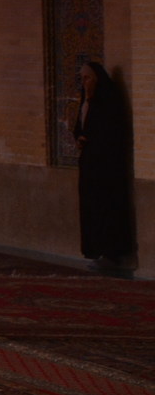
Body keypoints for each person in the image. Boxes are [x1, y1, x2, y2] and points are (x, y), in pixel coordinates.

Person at [75, 58, 138, 274]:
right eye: (82, 79)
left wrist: (90, 140)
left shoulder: (108, 102)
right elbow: (80, 128)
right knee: (92, 209)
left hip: (106, 168)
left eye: (88, 78)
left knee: (107, 209)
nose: (85, 83)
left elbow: (111, 133)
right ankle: (96, 251)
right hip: (90, 166)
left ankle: (111, 254)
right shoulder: (86, 102)